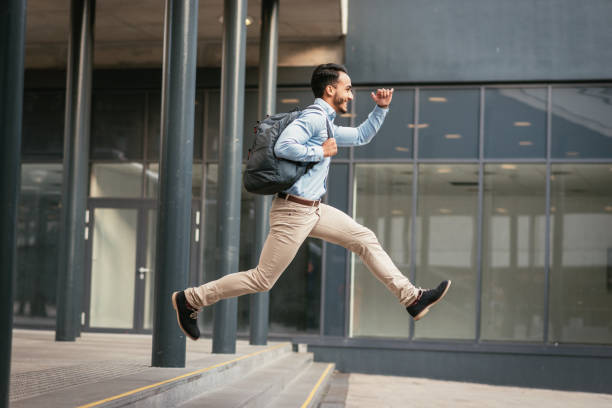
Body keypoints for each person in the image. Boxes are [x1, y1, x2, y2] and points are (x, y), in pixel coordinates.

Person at [172, 63, 451, 340]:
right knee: (262, 279)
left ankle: (412, 298)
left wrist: (381, 109)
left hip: (313, 209)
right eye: (348, 89)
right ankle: (191, 299)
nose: (351, 95)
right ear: (331, 89)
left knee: (364, 239)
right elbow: (284, 146)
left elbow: (361, 136)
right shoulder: (314, 118)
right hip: (293, 211)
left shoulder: (326, 122)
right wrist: (320, 151)